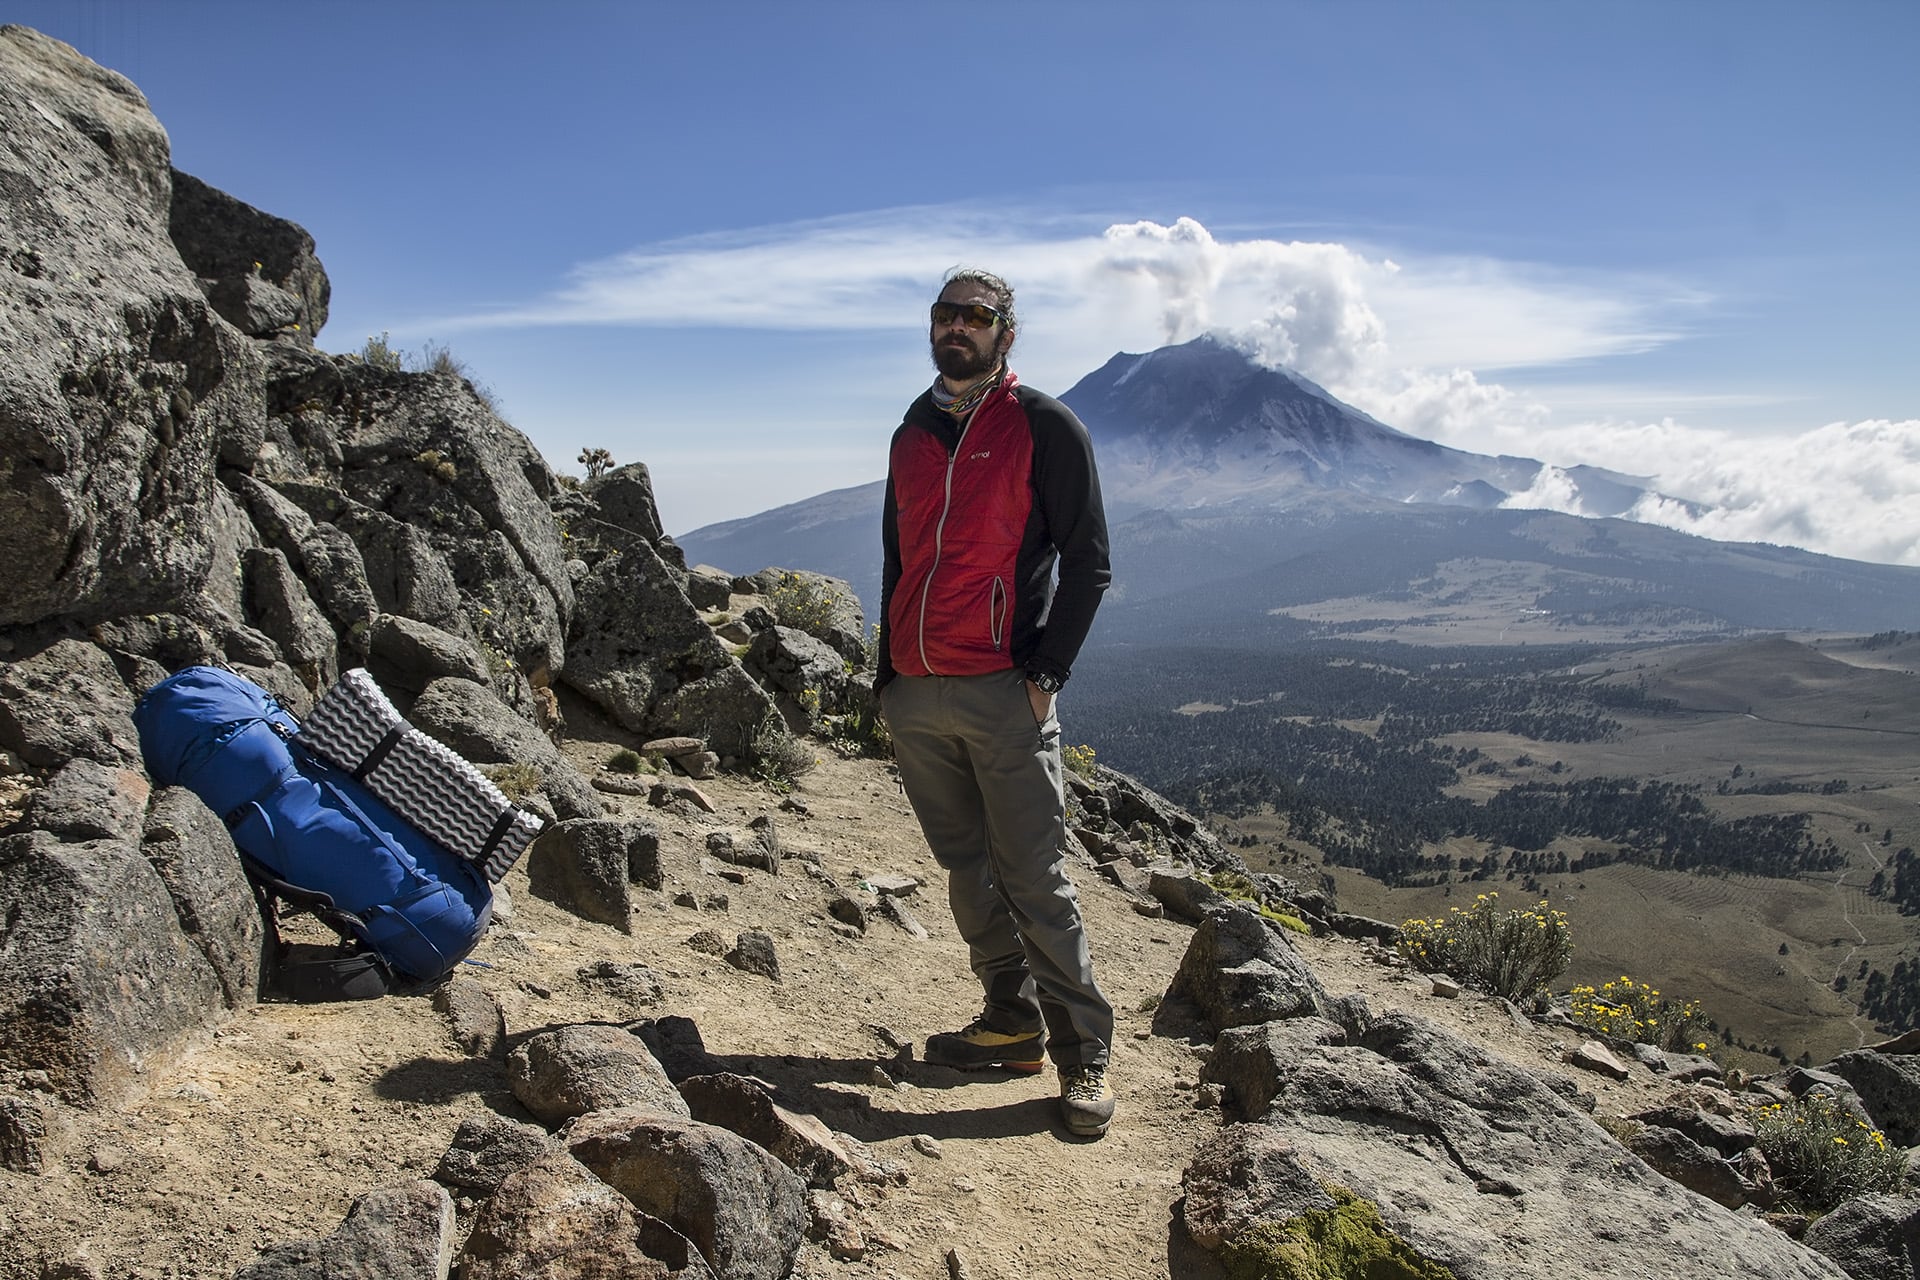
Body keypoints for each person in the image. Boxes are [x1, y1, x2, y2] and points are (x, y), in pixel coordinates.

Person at [874, 267, 1116, 1138]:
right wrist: (886, 675)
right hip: (918, 689)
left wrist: (1045, 675)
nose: (956, 327)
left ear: (1006, 332)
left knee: (1033, 876)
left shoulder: (1043, 425)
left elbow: (1089, 561)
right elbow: (900, 560)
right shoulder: (911, 430)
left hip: (1001, 687)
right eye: (944, 313)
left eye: (975, 316)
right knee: (964, 868)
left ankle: (1084, 1054)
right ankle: (1009, 1020)